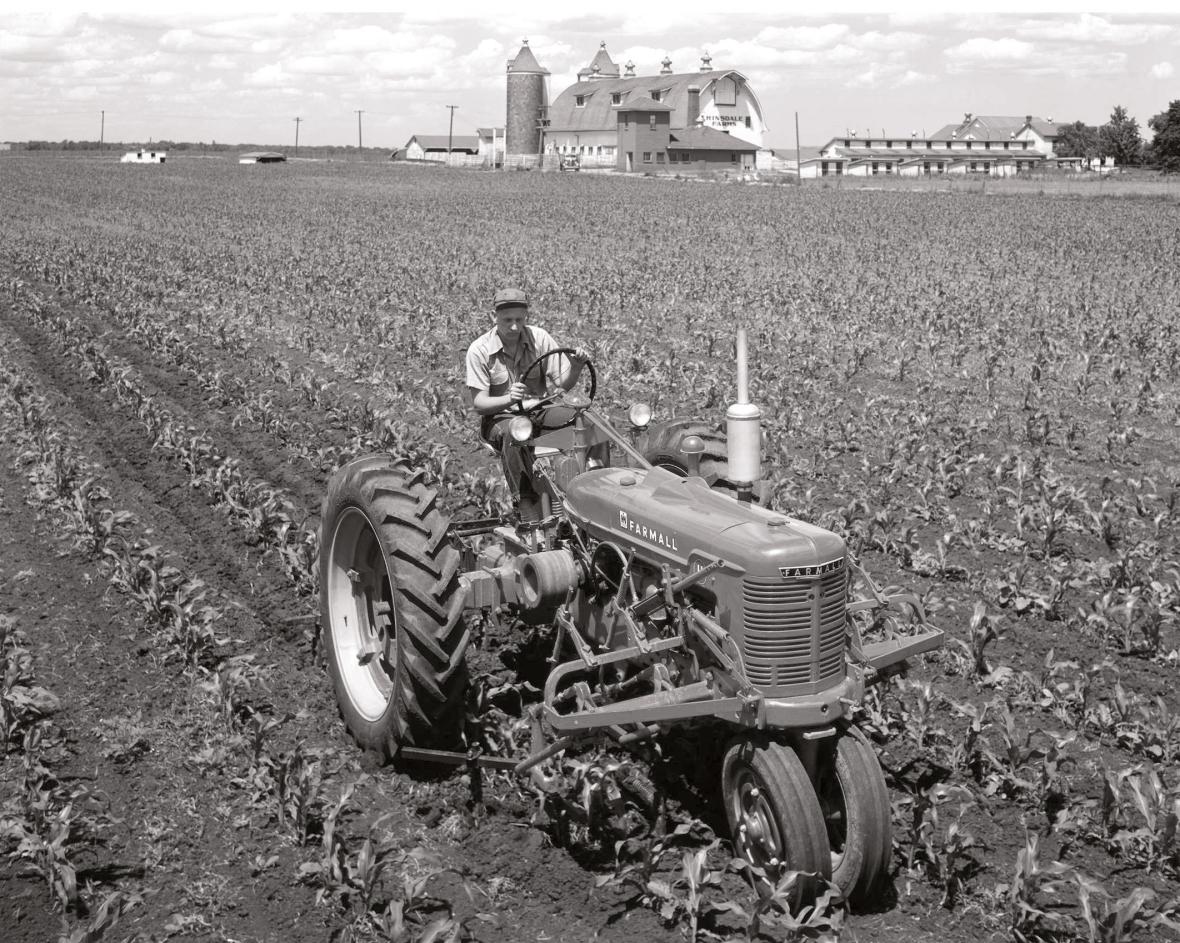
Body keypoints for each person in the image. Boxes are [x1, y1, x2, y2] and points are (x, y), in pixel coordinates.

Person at [466, 287, 589, 523]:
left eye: (519, 320)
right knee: (517, 431)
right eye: (507, 320)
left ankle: (587, 485)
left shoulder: (539, 338)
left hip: (540, 410)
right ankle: (526, 505)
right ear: (495, 317)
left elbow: (562, 385)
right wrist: (509, 399)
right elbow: (480, 404)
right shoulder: (479, 350)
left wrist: (575, 368)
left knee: (585, 420)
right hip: (500, 417)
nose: (514, 326)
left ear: (526, 317)